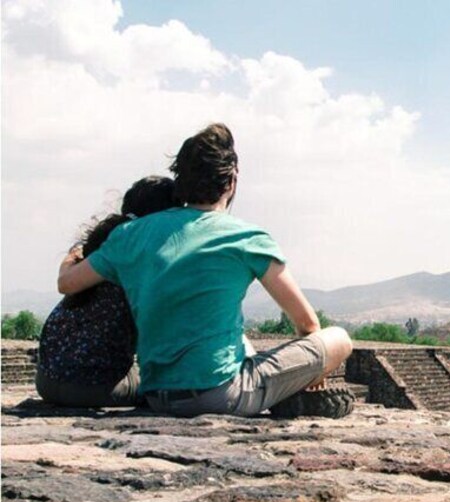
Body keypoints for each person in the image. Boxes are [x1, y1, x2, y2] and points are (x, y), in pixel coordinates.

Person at [56, 124, 353, 417]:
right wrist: (310, 374)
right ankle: (284, 396)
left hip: (156, 394)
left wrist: (75, 252)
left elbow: (67, 283)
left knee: (237, 338)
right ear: (231, 182)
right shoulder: (247, 238)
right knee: (339, 338)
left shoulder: (131, 234)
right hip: (222, 395)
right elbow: (308, 324)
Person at [38, 176, 178, 407]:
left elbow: (65, 280)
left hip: (46, 381)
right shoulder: (140, 262)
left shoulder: (99, 255)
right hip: (95, 389)